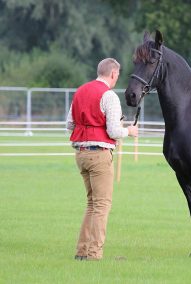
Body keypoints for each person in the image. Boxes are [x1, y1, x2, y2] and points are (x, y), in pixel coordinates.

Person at [66, 58, 138, 261]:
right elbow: (114, 131)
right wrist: (129, 130)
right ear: (113, 74)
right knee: (101, 205)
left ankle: (82, 251)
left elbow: (70, 125)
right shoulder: (109, 96)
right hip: (99, 154)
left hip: (80, 153)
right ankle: (94, 254)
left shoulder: (80, 91)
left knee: (91, 204)